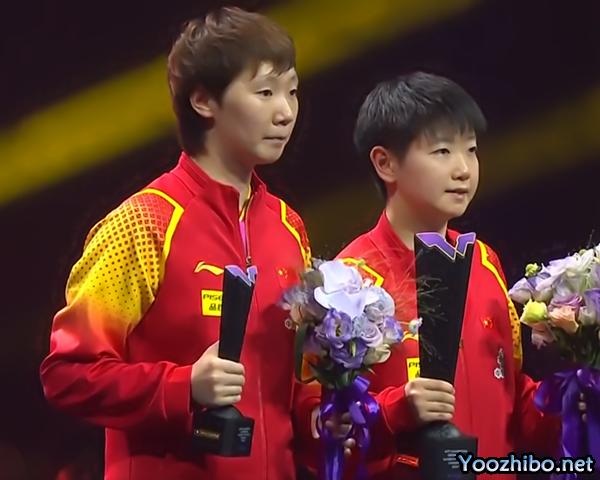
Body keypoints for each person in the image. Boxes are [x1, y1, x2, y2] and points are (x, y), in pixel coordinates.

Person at [40, 7, 327, 480]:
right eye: (265, 92)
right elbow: (68, 374)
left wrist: (320, 414)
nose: (286, 111)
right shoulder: (145, 224)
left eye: (292, 91)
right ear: (203, 101)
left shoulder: (289, 226)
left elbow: (295, 381)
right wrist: (183, 386)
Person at [302, 72, 564, 480]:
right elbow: (322, 427)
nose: (463, 169)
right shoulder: (347, 281)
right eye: (442, 151)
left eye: (471, 150)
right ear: (385, 163)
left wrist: (572, 401)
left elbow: (512, 401)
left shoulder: (484, 262)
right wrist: (396, 410)